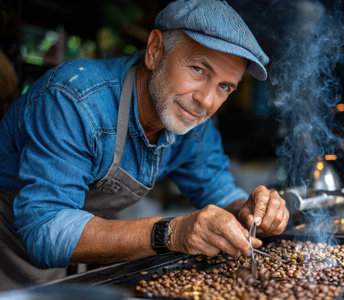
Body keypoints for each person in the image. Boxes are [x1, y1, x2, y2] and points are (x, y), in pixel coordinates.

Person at [0, 0, 289, 291]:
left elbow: (219, 190)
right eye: (199, 69)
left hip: (79, 262)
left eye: (224, 86)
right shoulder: (74, 101)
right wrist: (171, 233)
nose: (207, 101)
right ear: (155, 51)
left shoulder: (192, 123)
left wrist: (250, 210)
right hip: (10, 251)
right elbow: (45, 229)